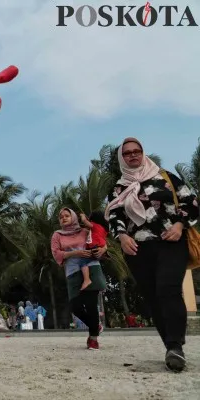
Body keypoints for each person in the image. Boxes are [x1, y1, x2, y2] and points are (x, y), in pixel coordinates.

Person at [105, 137, 198, 373]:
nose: (133, 155)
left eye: (137, 151)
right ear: (122, 158)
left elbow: (191, 202)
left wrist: (179, 226)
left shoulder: (165, 177)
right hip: (138, 249)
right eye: (127, 153)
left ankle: (176, 345)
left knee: (168, 289)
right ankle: (170, 347)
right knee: (153, 296)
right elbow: (114, 218)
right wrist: (122, 237)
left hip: (171, 243)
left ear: (143, 152)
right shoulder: (118, 188)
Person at [51, 207, 107, 349]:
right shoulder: (57, 235)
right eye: (61, 216)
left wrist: (103, 249)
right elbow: (57, 254)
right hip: (72, 271)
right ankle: (95, 325)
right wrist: (76, 253)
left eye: (67, 215)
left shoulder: (85, 231)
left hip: (92, 267)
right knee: (75, 306)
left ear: (74, 217)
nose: (63, 218)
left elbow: (101, 238)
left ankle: (93, 339)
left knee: (90, 304)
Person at [79, 211, 109, 291]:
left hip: (94, 248)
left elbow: (84, 221)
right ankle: (102, 283)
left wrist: (82, 216)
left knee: (82, 262)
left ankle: (86, 280)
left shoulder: (95, 226)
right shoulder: (104, 229)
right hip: (100, 249)